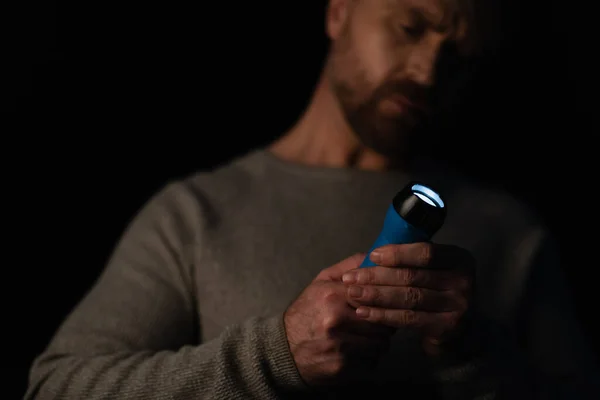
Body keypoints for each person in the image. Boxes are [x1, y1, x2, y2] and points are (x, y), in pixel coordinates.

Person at [25, 0, 598, 399]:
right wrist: (273, 357)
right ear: (338, 12)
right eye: (411, 26)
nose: (429, 72)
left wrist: (475, 356)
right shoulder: (195, 215)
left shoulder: (511, 234)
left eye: (461, 57)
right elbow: (56, 388)